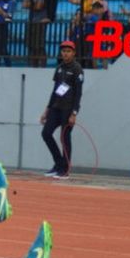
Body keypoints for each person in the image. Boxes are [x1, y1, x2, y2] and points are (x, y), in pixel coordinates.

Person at [40, 40, 84, 180]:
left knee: (64, 137)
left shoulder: (77, 69)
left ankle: (65, 169)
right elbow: (55, 91)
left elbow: (78, 93)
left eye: (68, 51)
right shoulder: (59, 68)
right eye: (63, 51)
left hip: (68, 109)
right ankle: (58, 164)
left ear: (74, 53)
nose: (65, 54)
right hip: (55, 108)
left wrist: (74, 113)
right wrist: (47, 110)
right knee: (46, 133)